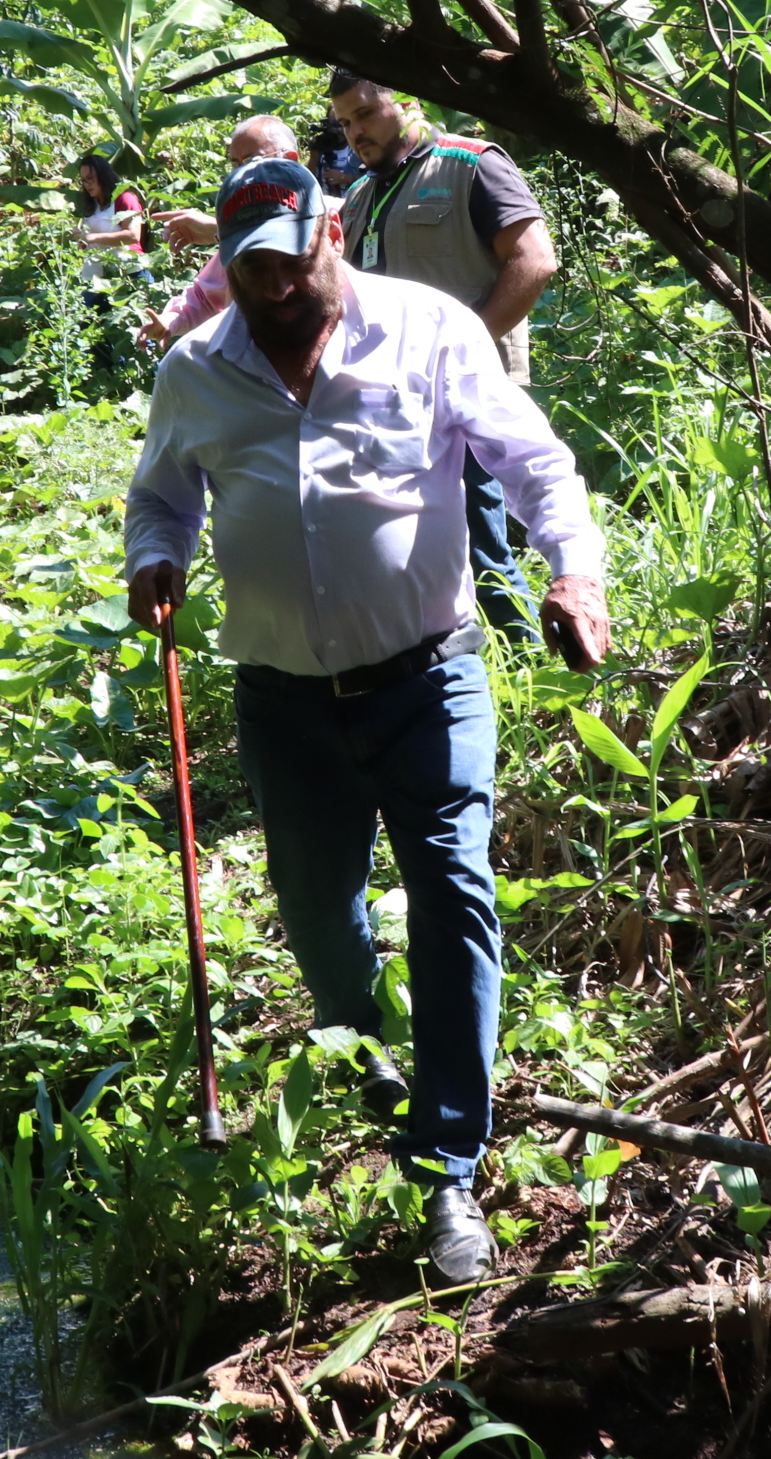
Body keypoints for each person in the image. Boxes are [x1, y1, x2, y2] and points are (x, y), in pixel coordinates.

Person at [123, 158, 612, 1283]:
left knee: (452, 891)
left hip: (427, 676)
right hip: (282, 697)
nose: (275, 286)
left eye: (291, 261)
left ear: (332, 230)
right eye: (249, 271)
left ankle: (447, 1165)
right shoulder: (196, 369)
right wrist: (157, 556)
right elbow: (162, 492)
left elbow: (533, 463)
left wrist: (574, 574)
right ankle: (368, 1055)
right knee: (316, 907)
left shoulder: (430, 329)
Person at [327, 70, 560, 645]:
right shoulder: (360, 196)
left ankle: (536, 677)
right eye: (346, 123)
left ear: (404, 100)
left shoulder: (470, 165)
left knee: (483, 548)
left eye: (365, 113)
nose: (356, 132)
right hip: (387, 404)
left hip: (467, 394)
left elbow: (534, 261)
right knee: (404, 548)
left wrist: (461, 349)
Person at [138, 115, 299, 351]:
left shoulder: (336, 213)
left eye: (251, 160)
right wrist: (171, 320)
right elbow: (206, 295)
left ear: (290, 160)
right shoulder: (240, 224)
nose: (241, 173)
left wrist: (222, 231)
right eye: (235, 164)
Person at [74, 151, 147, 253]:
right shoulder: (92, 204)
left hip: (128, 265)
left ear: (103, 176)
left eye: (90, 178)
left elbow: (133, 235)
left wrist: (94, 237)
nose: (87, 184)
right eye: (83, 180)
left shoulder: (125, 199)